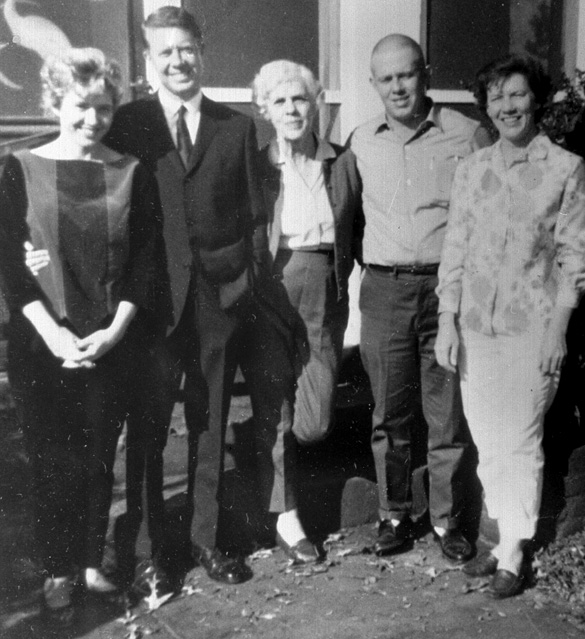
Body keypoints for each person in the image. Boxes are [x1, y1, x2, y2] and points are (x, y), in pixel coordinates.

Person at [103, 6, 311, 578]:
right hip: (151, 306)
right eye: (165, 51)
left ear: (202, 52)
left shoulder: (236, 127)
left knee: (209, 421)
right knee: (147, 427)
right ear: (150, 60)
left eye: (186, 49)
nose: (178, 60)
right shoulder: (130, 125)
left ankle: (204, 539)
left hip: (219, 302)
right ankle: (148, 553)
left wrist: (241, 283)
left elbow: (252, 216)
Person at [0, 48, 162, 623]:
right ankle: (58, 569)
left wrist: (115, 332)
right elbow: (10, 271)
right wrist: (53, 337)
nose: (92, 119)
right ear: (54, 103)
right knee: (52, 459)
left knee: (97, 457)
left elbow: (146, 263)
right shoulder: (18, 168)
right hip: (42, 345)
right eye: (80, 106)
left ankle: (91, 562)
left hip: (108, 343)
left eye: (103, 107)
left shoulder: (131, 172)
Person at [435, 55, 585, 598]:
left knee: (520, 441)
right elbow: (453, 250)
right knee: (488, 441)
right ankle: (503, 535)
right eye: (497, 97)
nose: (507, 107)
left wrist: (558, 331)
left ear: (538, 100)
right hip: (477, 326)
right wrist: (446, 324)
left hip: (532, 328)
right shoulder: (472, 170)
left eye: (518, 95)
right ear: (487, 105)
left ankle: (513, 552)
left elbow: (576, 257)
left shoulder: (565, 170)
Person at [347, 34, 490, 560]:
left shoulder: (467, 134)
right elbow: (349, 217)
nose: (398, 87)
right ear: (373, 85)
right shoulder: (361, 142)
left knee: (446, 413)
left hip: (448, 292)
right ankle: (394, 514)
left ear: (424, 74)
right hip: (384, 289)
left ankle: (448, 521)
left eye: (406, 74)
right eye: (386, 79)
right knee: (389, 412)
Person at [252, 60, 364, 447]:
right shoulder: (259, 166)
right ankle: (286, 505)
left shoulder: (342, 161)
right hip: (274, 282)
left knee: (313, 423)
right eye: (279, 101)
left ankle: (282, 471)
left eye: (299, 99)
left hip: (326, 284)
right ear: (265, 110)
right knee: (274, 400)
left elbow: (361, 228)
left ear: (314, 104)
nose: (291, 110)